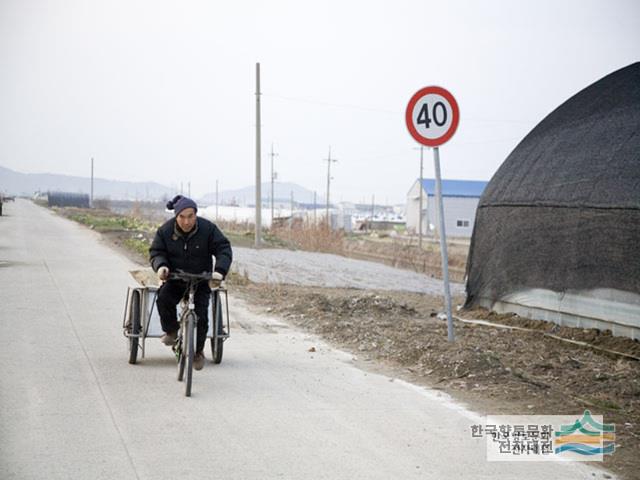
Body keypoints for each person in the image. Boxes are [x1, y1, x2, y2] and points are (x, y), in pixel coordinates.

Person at [149, 195, 232, 371]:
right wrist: (161, 266)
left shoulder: (208, 229)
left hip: (201, 280)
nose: (187, 221)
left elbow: (223, 248)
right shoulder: (165, 231)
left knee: (201, 316)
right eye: (182, 217)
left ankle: (198, 352)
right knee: (163, 298)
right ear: (176, 216)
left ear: (196, 215)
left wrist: (219, 271)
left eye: (190, 216)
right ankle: (171, 331)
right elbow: (157, 252)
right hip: (176, 278)